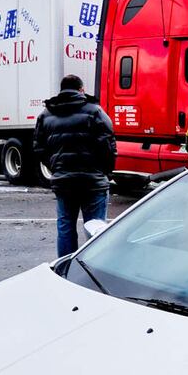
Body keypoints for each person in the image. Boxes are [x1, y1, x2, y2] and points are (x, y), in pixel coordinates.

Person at [34, 73, 115, 258]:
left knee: (65, 226)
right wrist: (105, 171)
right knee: (95, 229)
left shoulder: (45, 115)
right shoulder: (95, 111)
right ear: (81, 90)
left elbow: (39, 148)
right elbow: (108, 146)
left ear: (61, 90)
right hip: (93, 181)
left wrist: (56, 166)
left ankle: (64, 266)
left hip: (64, 181)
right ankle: (91, 269)